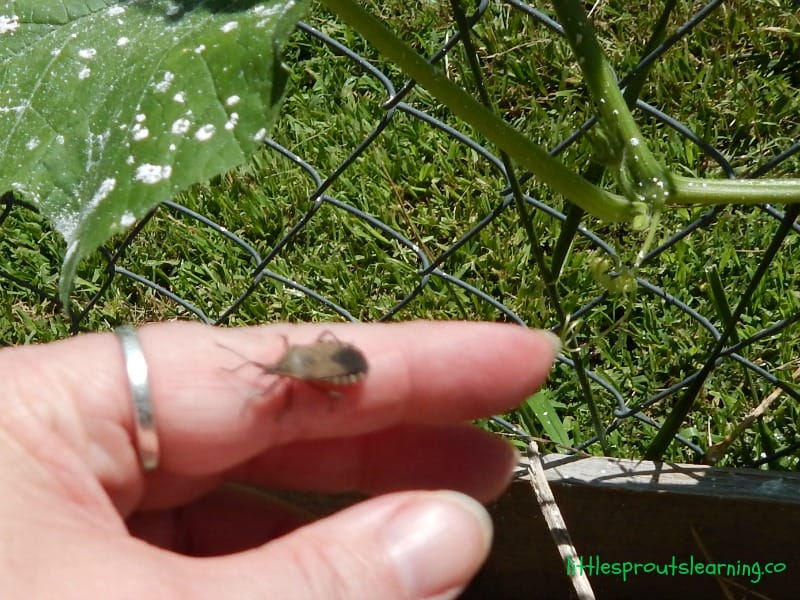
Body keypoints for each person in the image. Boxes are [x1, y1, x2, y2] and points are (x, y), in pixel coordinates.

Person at [0, 320, 559, 597]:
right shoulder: (288, 369)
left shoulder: (298, 370)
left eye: (272, 371)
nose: (267, 375)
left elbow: (322, 372)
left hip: (333, 364)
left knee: (321, 389)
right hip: (329, 360)